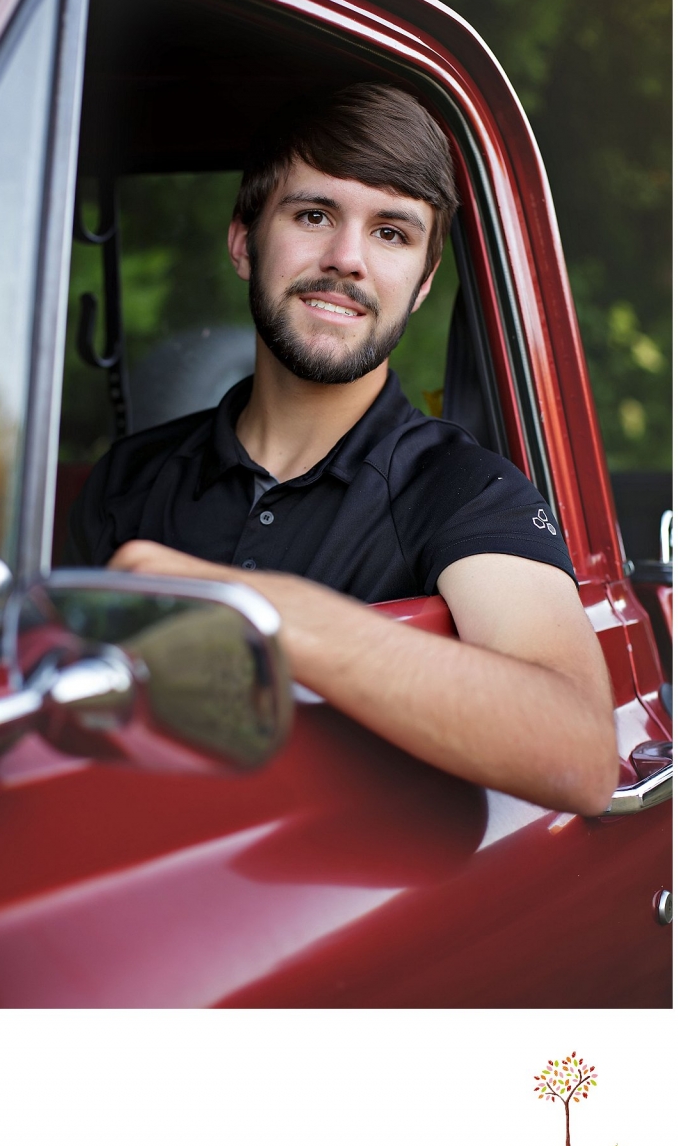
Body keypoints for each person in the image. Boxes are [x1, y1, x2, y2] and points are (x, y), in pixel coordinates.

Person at [67, 83, 618, 816]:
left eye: (392, 232)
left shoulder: (466, 491)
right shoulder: (129, 480)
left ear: (422, 285)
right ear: (244, 242)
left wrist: (261, 612)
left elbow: (579, 750)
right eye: (315, 214)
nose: (346, 258)